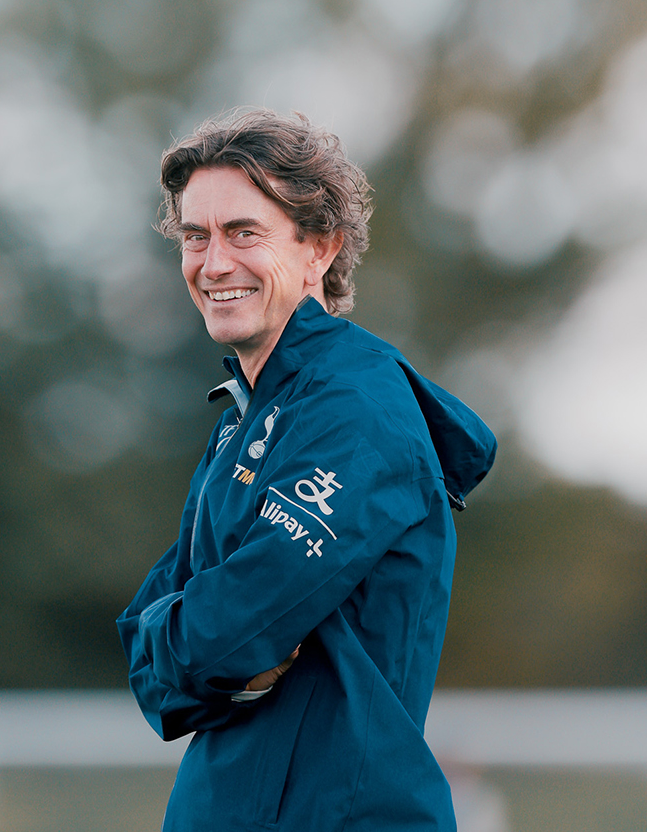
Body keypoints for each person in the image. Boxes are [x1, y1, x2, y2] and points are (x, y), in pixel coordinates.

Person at [116, 109, 497, 832]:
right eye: (196, 237)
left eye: (243, 233)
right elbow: (151, 650)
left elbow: (226, 637)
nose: (213, 263)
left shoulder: (358, 411)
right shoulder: (249, 416)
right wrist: (201, 643)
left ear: (320, 246)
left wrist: (206, 642)